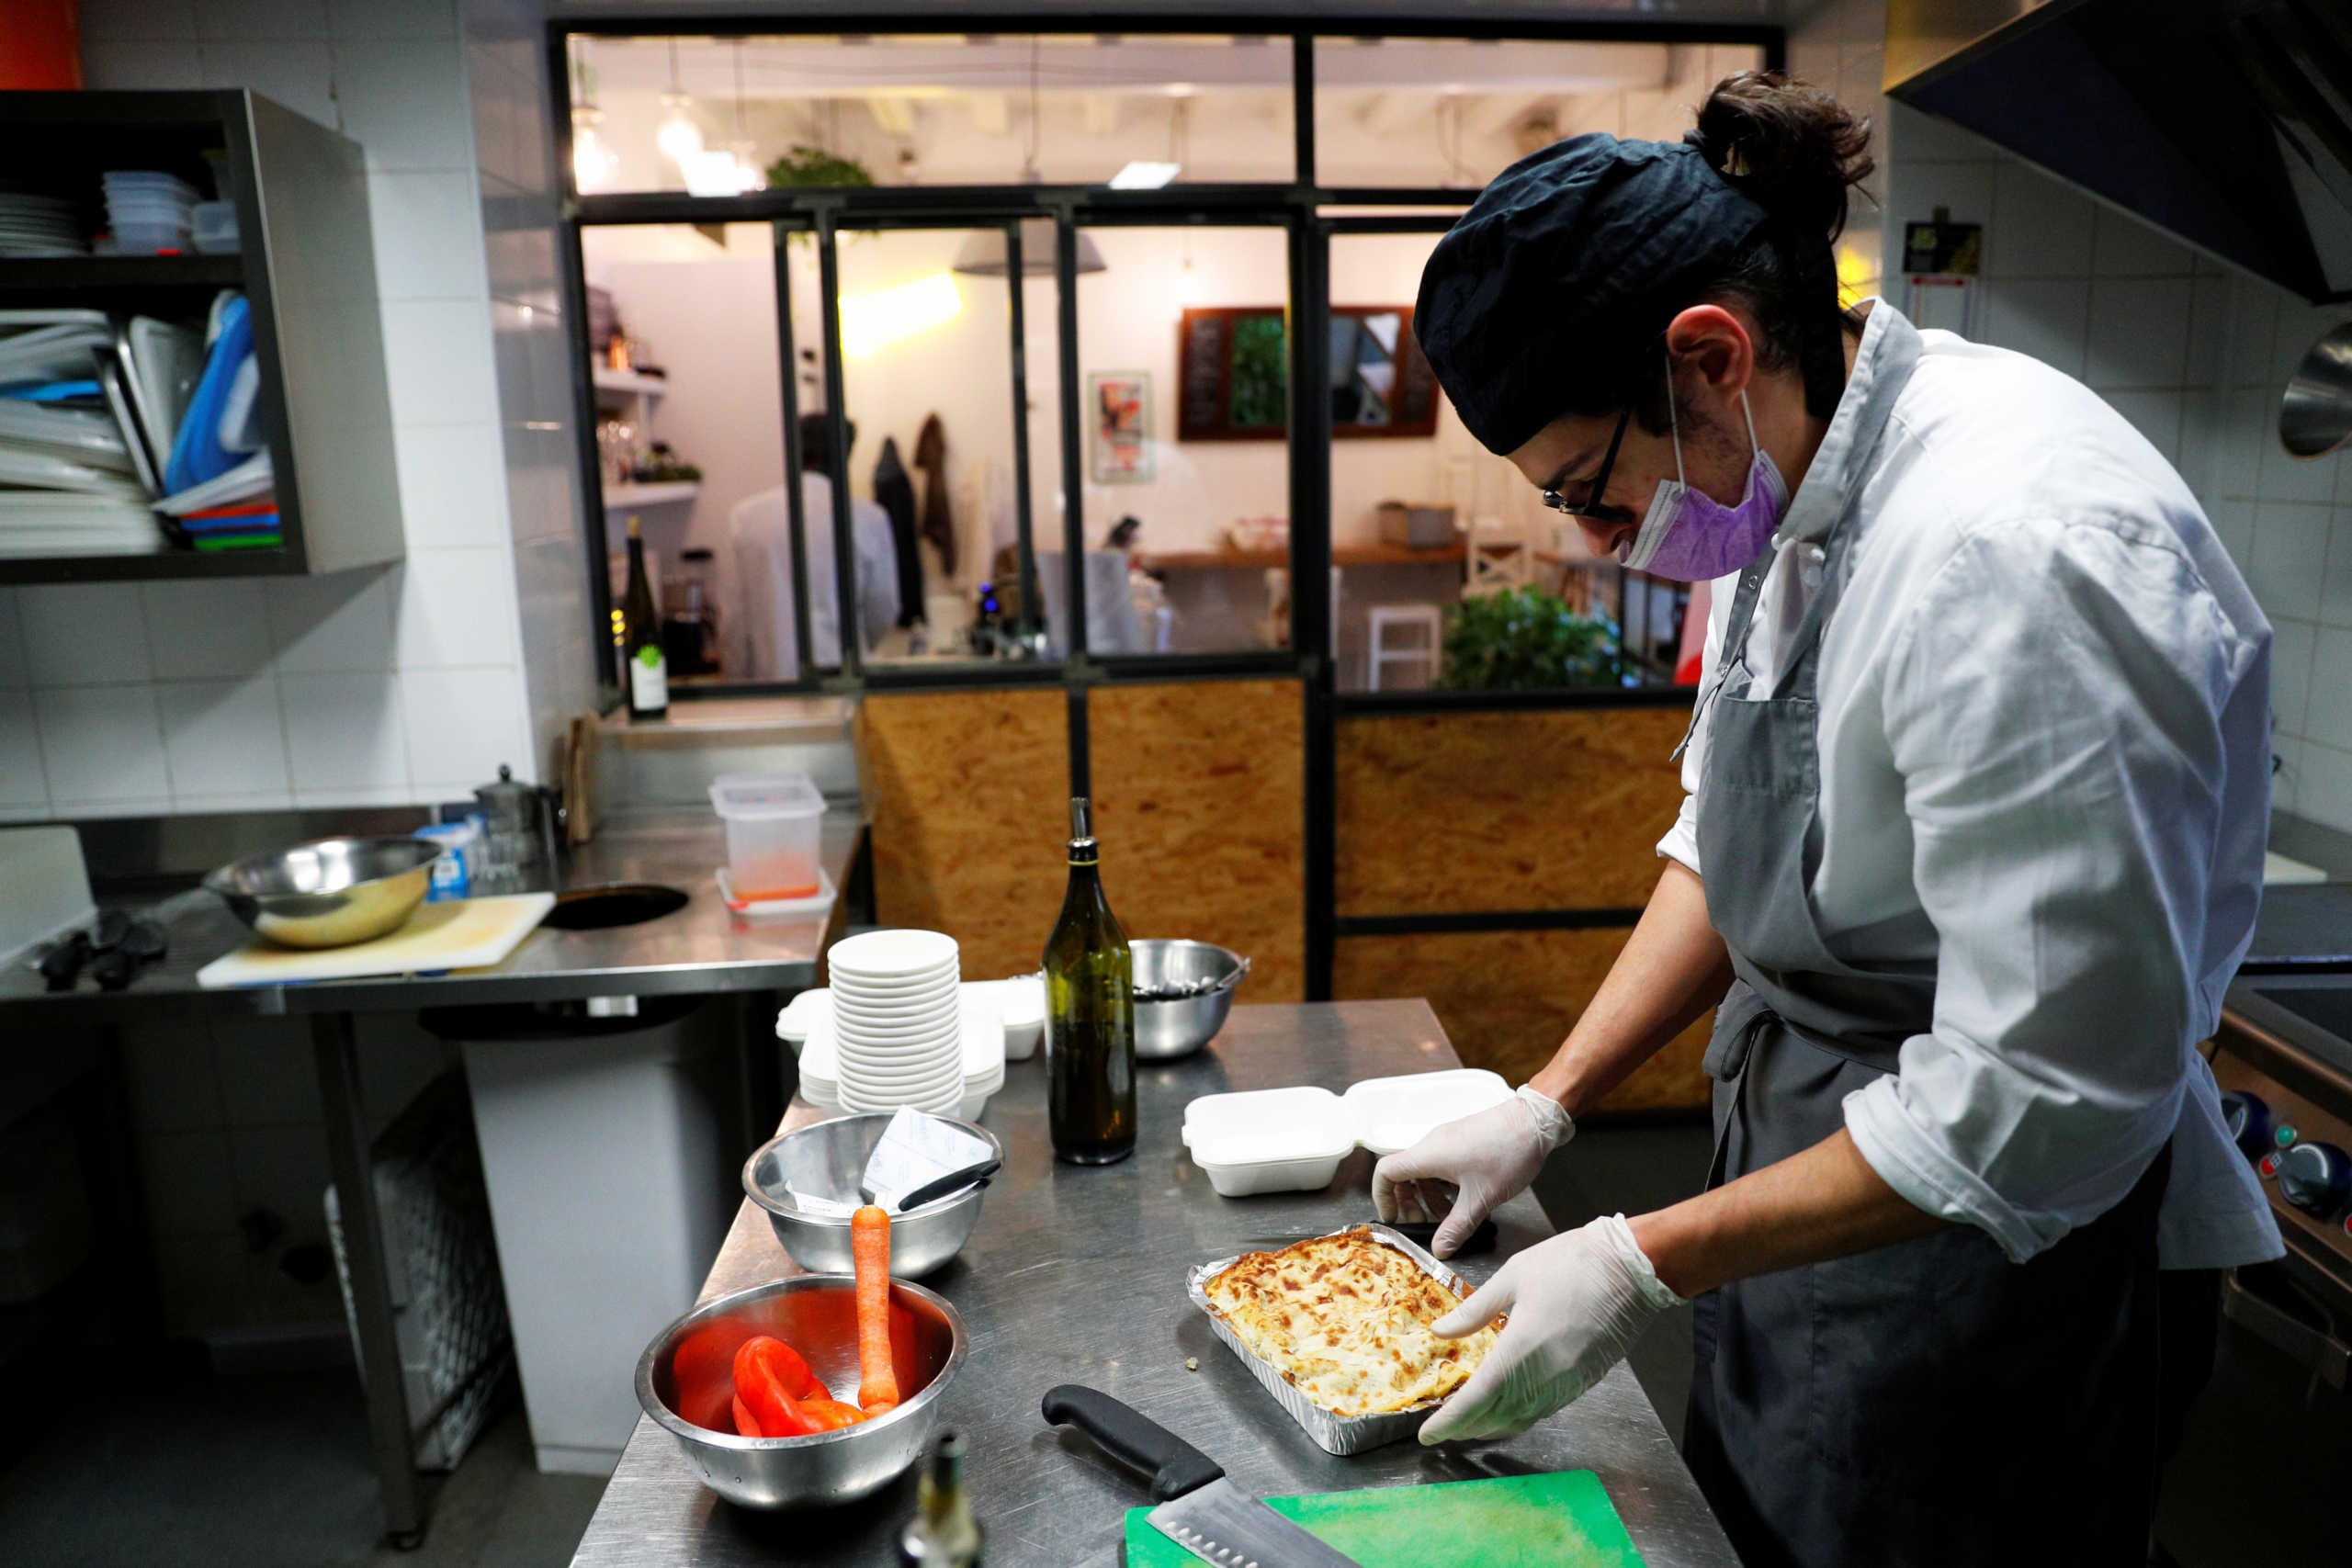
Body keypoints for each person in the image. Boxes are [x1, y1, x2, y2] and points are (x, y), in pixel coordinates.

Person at [1376, 72, 2282, 1567]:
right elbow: (1723, 844)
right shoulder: (1777, 484)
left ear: (1712, 356)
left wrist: (1631, 1252)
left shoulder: (2014, 552)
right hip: (1802, 1201)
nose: (1603, 542)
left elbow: (2035, 1099)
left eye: (1593, 495)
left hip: (1992, 1270)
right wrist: (1555, 1099)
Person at [729, 412, 901, 678]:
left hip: (772, 680)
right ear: (845, 456)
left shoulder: (747, 517)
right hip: (845, 677)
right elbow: (883, 608)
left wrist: (739, 680)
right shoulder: (867, 518)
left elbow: (735, 618)